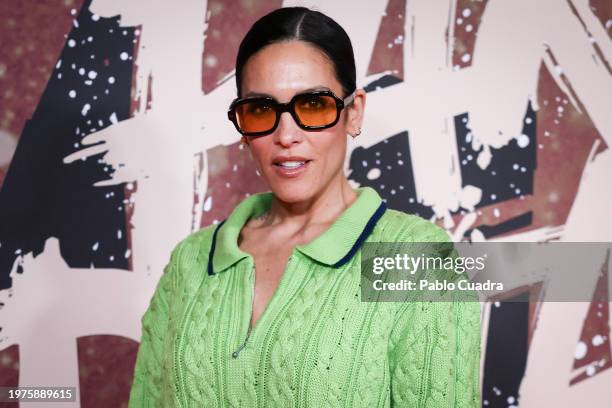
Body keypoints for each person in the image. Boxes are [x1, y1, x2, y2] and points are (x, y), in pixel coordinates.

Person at [128, 6, 481, 407]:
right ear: (242, 126)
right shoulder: (190, 260)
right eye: (261, 110)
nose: (286, 135)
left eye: (313, 105)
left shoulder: (417, 258)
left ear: (353, 112)